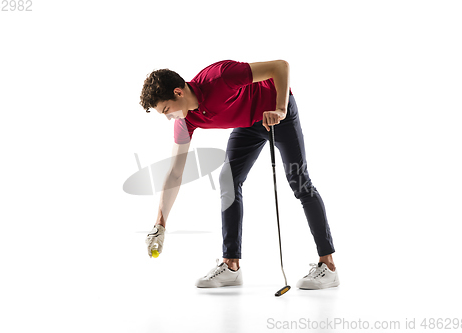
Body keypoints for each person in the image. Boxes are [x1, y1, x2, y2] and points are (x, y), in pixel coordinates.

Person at [139, 60, 339, 290]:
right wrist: (160, 224)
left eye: (166, 110)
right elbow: (175, 173)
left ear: (178, 92)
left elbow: (280, 67)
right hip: (248, 124)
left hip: (277, 113)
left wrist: (281, 109)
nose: (168, 118)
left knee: (299, 182)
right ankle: (231, 265)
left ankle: (329, 266)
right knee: (228, 181)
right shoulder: (185, 120)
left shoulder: (220, 77)